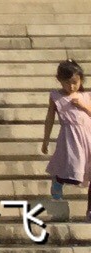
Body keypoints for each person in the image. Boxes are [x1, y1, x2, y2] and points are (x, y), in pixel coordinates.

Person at [41, 59, 90, 207]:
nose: (72, 86)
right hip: (71, 137)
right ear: (60, 81)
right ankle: (58, 180)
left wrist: (83, 106)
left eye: (75, 82)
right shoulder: (56, 96)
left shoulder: (86, 96)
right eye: (67, 82)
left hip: (88, 136)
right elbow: (50, 118)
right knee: (74, 172)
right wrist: (46, 140)